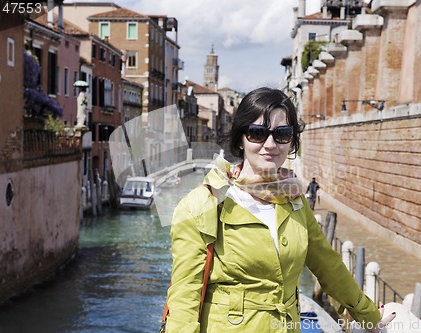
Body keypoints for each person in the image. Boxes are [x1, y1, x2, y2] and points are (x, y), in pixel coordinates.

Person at [164, 87, 394, 332]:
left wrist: (368, 316)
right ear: (241, 139)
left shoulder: (293, 200)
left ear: (291, 140)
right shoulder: (204, 203)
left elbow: (328, 265)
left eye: (282, 134)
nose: (270, 144)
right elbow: (185, 295)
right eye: (257, 133)